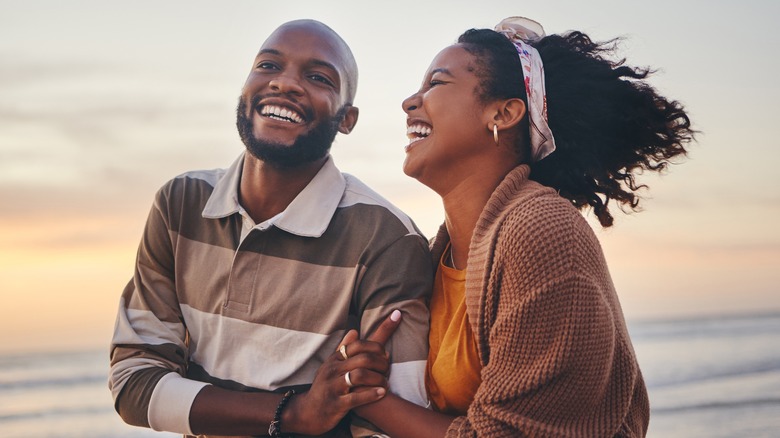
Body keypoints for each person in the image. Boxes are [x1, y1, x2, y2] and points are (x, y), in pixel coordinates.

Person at [348, 16, 694, 437]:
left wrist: (368, 402)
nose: (410, 102)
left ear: (504, 112)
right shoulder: (435, 255)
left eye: (436, 84)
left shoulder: (541, 231)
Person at [108, 19, 432, 437]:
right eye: (267, 65)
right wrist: (294, 413)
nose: (285, 84)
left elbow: (393, 421)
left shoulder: (386, 237)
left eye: (318, 77)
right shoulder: (180, 205)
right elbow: (133, 384)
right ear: (244, 88)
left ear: (346, 119)